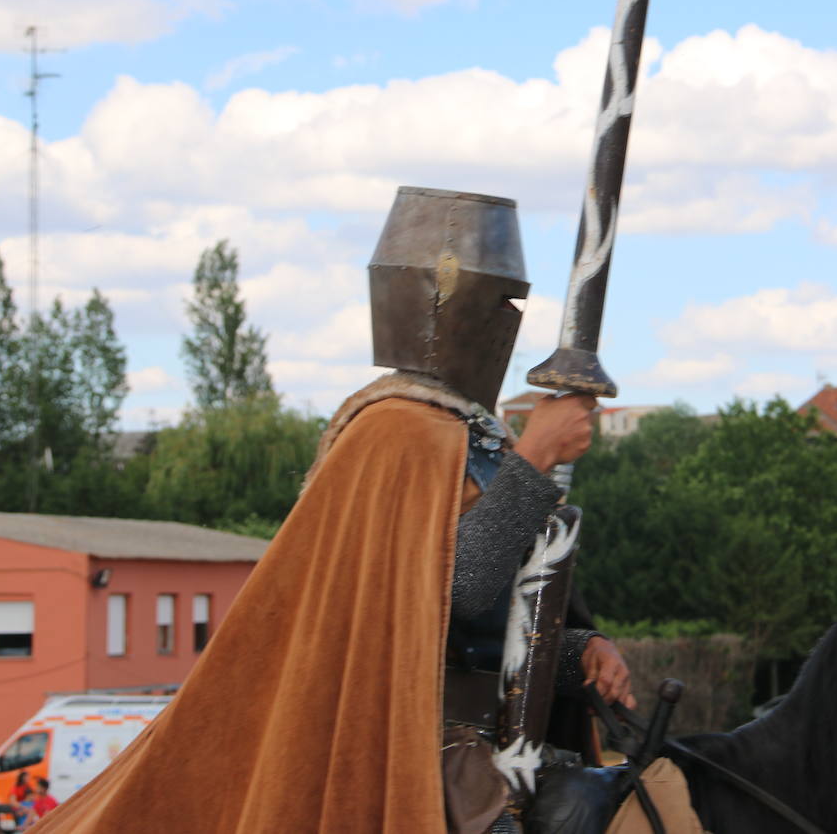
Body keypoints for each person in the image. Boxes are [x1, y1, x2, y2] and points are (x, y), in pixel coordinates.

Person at [33, 187, 632, 834]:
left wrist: (580, 652)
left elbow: (489, 630)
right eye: (499, 302)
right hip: (406, 756)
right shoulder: (394, 433)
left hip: (499, 751)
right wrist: (536, 458)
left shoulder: (477, 438)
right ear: (440, 295)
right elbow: (451, 592)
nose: (506, 322)